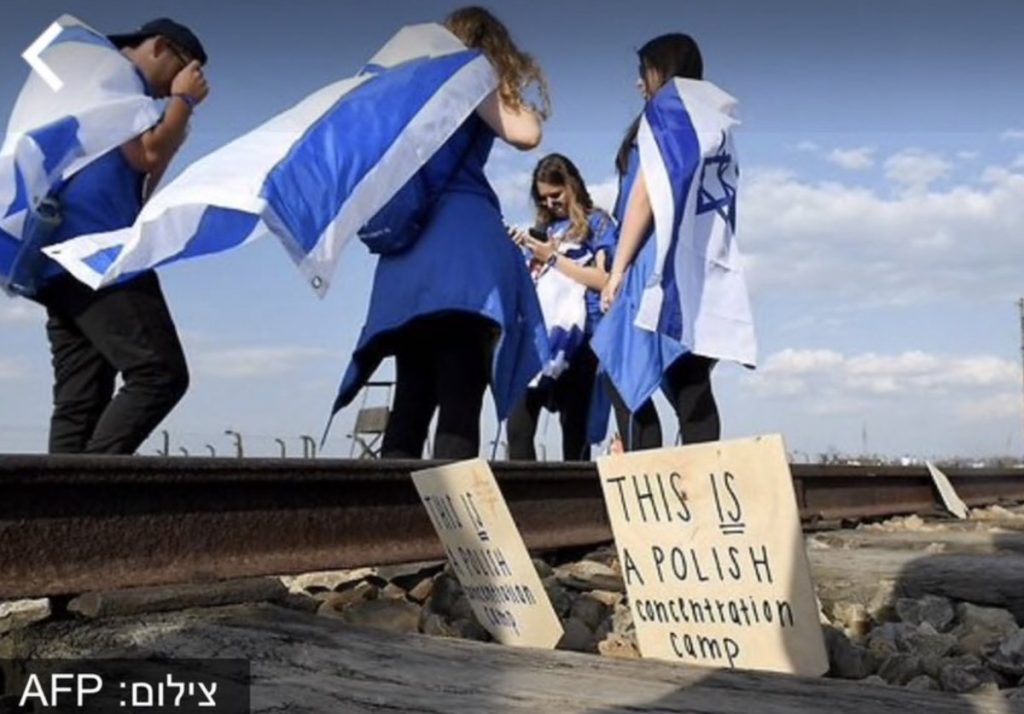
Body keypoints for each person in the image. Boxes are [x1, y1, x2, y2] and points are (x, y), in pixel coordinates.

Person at [336, 7, 550, 459]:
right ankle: (451, 508)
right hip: (463, 259)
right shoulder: (470, 76)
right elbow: (527, 132)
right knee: (459, 401)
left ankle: (394, 505)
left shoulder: (411, 87)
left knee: (410, 402)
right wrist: (495, 78)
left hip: (408, 258)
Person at [30, 19, 210, 454]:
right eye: (184, 69)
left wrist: (175, 122)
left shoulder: (91, 85)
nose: (174, 86)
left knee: (81, 399)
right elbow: (147, 153)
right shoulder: (117, 78)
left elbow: (143, 183)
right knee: (159, 373)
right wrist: (184, 100)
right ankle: (96, 485)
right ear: (160, 47)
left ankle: (58, 496)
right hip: (96, 248)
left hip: (55, 259)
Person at [592, 33, 757, 451]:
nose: (639, 83)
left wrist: (617, 270)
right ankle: (704, 477)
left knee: (625, 374)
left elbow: (644, 195)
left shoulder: (665, 113)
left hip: (654, 261)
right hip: (695, 262)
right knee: (689, 378)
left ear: (661, 70)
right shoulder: (712, 121)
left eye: (643, 71)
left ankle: (646, 477)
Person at [507, 154, 615, 461]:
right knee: (518, 427)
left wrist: (553, 258)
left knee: (574, 432)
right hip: (538, 336)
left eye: (556, 195)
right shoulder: (545, 230)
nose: (551, 203)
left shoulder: (598, 223)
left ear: (572, 185)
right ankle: (522, 490)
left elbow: (603, 279)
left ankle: (576, 492)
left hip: (580, 338)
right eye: (543, 199)